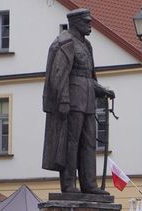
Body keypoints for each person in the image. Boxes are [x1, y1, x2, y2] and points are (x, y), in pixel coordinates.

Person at [41, 8, 114, 194]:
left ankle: (89, 184)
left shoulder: (86, 45)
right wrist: (63, 100)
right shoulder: (65, 42)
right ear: (75, 23)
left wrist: (102, 90)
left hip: (88, 101)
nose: (90, 25)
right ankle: (68, 184)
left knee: (88, 143)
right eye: (86, 22)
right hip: (72, 101)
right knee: (70, 143)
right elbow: (59, 75)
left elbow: (88, 77)